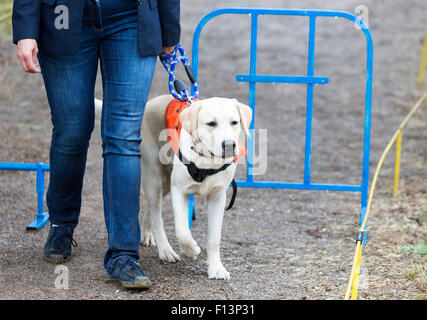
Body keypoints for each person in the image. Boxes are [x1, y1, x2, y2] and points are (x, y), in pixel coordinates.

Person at [12, 0, 180, 289]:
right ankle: (61, 224)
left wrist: (169, 30)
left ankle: (124, 255)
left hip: (133, 17)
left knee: (124, 138)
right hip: (63, 15)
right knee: (71, 131)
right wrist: (25, 29)